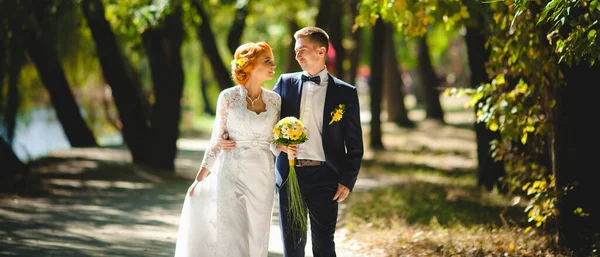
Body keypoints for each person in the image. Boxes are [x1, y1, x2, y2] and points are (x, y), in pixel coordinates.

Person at [173, 42, 284, 257]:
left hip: (262, 175)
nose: (273, 65)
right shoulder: (228, 97)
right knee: (234, 233)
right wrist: (200, 177)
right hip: (232, 172)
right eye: (267, 61)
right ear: (250, 65)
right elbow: (217, 140)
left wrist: (286, 148)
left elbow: (273, 143)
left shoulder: (275, 100)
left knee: (257, 234)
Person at [272, 26, 364, 257]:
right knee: (292, 245)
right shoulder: (284, 83)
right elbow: (264, 119)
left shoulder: (345, 92)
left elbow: (355, 144)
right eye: (295, 51)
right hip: (289, 175)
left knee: (324, 245)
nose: (297, 56)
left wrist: (347, 180)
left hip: (326, 177)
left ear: (321, 51)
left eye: (302, 50)